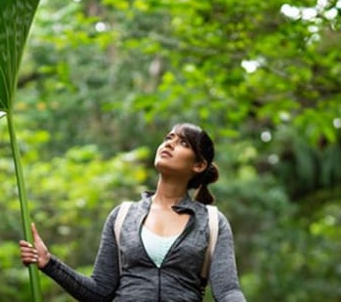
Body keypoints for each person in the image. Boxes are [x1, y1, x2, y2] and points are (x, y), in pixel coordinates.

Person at [19, 123, 246, 301]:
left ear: (198, 165)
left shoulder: (212, 222)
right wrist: (49, 263)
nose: (169, 144)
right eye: (168, 138)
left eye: (183, 142)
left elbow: (227, 292)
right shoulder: (123, 216)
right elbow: (99, 292)